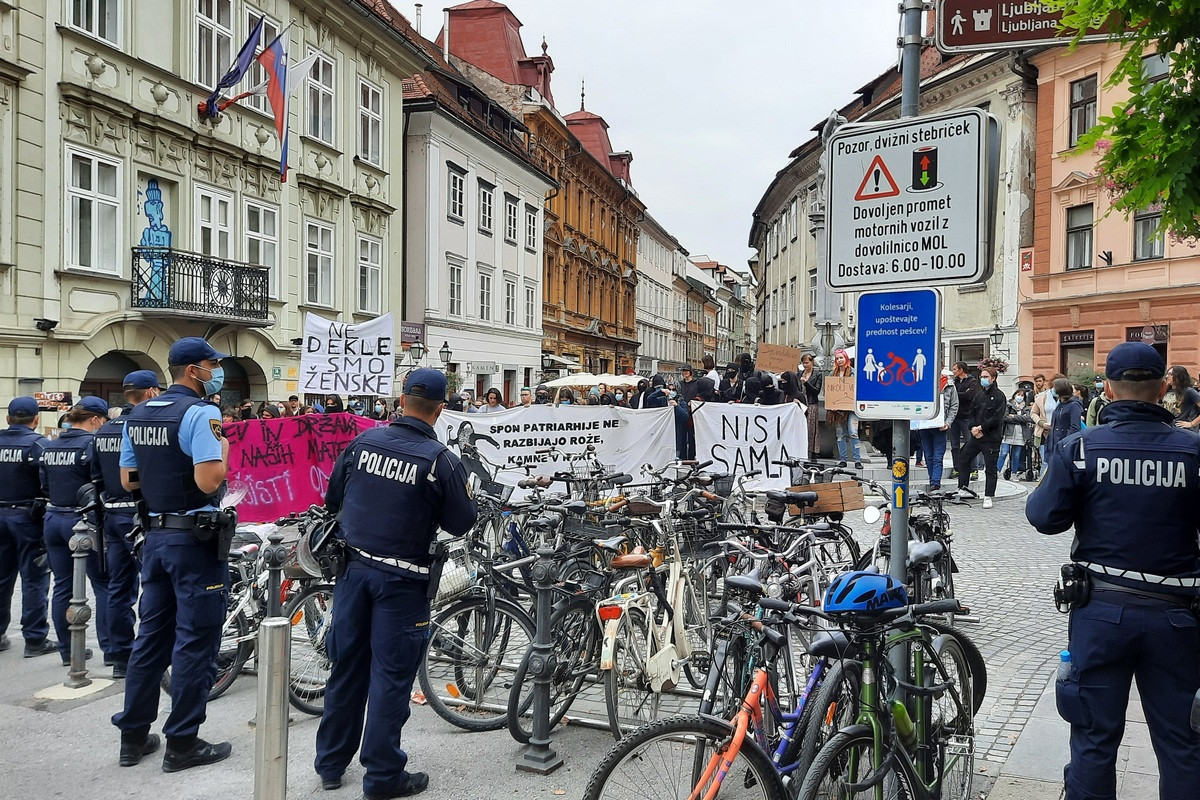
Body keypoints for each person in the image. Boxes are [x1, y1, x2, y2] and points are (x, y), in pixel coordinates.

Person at [1026, 342, 1200, 800]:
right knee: (1182, 745)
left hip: (1100, 614)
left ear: (1107, 388)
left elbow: (1044, 518)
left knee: (1093, 740)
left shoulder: (1080, 449)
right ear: (1163, 389)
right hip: (1177, 618)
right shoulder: (1192, 452)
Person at [314, 369, 477, 798]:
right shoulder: (440, 460)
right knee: (390, 677)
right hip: (403, 582)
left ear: (401, 400)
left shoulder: (362, 443)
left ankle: (330, 763)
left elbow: (333, 500)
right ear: (441, 409)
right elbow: (461, 522)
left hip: (352, 573)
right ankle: (383, 776)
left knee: (346, 668)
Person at [112, 336, 233, 771]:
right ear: (193, 370)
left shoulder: (137, 414)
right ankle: (183, 742)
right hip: (194, 541)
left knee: (151, 637)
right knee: (196, 641)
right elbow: (208, 481)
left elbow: (128, 480)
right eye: (211, 364)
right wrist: (223, 452)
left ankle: (133, 736)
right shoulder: (202, 413)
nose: (216, 371)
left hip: (156, 536)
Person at [91, 371, 162, 677]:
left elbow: (94, 475)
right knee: (154, 585)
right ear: (151, 392)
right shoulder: (146, 425)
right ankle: (150, 652)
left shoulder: (104, 430)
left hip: (110, 515)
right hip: (140, 514)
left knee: (119, 586)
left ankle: (119, 655)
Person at [39, 397, 113, 666]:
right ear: (95, 419)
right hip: (83, 521)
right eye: (103, 422)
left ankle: (67, 651)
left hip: (53, 517)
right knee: (102, 583)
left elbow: (44, 486)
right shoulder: (91, 444)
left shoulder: (49, 446)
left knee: (61, 586)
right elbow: (99, 481)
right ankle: (110, 649)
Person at [0, 397, 54, 657]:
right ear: (36, 420)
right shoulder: (38, 444)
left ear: (8, 418)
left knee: (1, 578)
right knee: (34, 577)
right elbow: (48, 484)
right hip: (27, 518)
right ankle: (34, 639)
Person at [955, 365, 1006, 507]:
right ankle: (963, 488)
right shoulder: (979, 394)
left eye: (986, 377)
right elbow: (971, 413)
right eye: (982, 377)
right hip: (976, 436)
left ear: (993, 378)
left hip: (990, 437)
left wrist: (981, 428)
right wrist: (973, 428)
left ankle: (989, 495)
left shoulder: (999, 396)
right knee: (963, 457)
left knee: (990, 466)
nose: (983, 379)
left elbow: (997, 418)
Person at [912, 368, 958, 491]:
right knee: (928, 455)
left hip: (940, 426)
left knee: (938, 456)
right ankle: (932, 480)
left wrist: (948, 423)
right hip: (924, 425)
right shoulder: (920, 382)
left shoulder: (949, 384)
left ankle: (935, 483)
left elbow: (954, 405)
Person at [826, 349, 862, 469]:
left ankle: (857, 460)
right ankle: (843, 459)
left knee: (853, 432)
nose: (839, 360)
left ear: (846, 358)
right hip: (838, 410)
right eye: (837, 358)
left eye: (841, 357)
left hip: (852, 409)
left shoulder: (854, 373)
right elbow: (830, 391)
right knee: (840, 434)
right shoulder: (832, 374)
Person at [949, 361, 981, 480]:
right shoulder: (954, 382)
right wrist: (961, 393)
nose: (953, 372)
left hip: (967, 416)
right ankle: (956, 468)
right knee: (954, 445)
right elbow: (953, 395)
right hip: (954, 416)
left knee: (971, 442)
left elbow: (970, 396)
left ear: (961, 370)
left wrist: (957, 394)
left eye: (955, 369)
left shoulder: (972, 382)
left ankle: (974, 469)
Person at [997, 388, 1032, 482]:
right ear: (1014, 395)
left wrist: (1014, 416)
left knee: (1016, 455)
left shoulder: (1026, 407)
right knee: (1004, 453)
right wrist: (1020, 418)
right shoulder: (1008, 404)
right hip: (1008, 432)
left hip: (1021, 433)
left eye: (1022, 395)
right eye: (1018, 394)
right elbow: (1005, 417)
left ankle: (1014, 474)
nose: (1020, 397)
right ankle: (997, 472)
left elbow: (1028, 418)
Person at [1046, 378, 1083, 452]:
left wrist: (1064, 443)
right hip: (1054, 445)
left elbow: (1075, 427)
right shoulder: (1060, 404)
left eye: (1054, 387)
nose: (1052, 390)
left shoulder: (1074, 405)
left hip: (1064, 445)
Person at [799, 354, 823, 458]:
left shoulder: (817, 374)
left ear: (812, 362)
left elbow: (816, 391)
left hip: (812, 403)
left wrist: (806, 383)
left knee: (812, 428)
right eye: (803, 363)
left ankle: (812, 452)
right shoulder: (799, 373)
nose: (805, 365)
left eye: (807, 363)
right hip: (801, 404)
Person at [1165, 365, 1200, 432]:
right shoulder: (1166, 391)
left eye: (1170, 374)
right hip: (1168, 428)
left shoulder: (1189, 392)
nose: (1167, 376)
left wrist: (1192, 424)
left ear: (1179, 376)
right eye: (1167, 374)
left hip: (1183, 431)